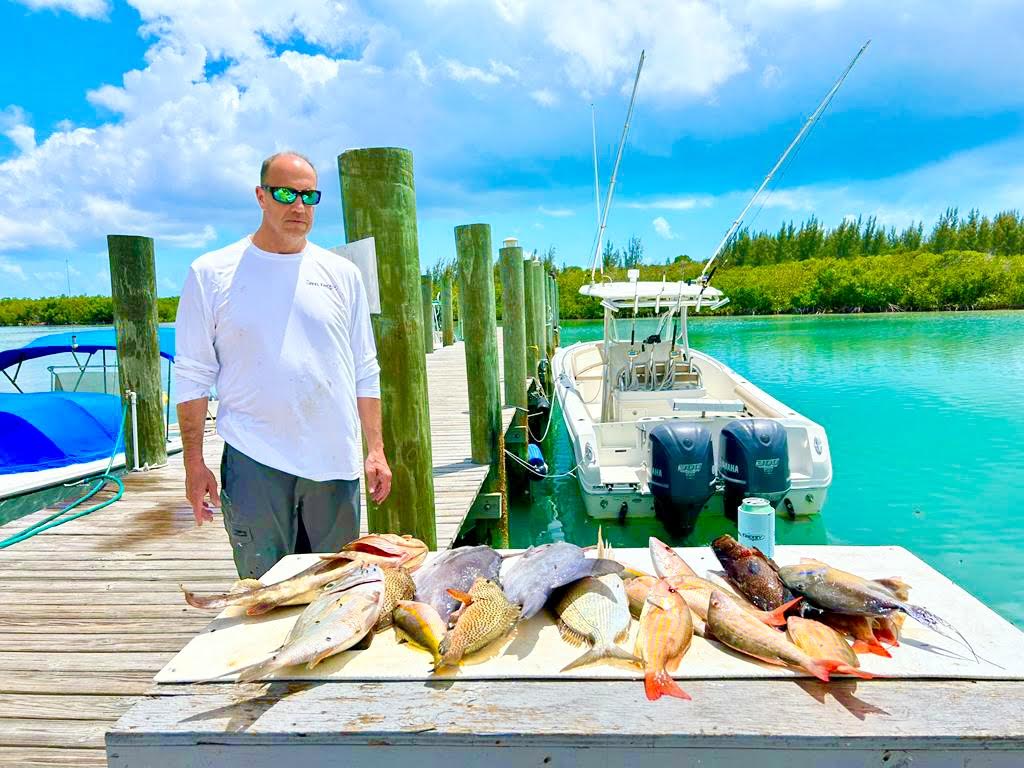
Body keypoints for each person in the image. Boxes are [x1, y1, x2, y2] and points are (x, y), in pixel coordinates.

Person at [173, 151, 392, 579]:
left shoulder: (342, 274)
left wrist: (376, 451)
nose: (298, 206)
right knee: (263, 592)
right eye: (286, 193)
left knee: (335, 594)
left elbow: (365, 368)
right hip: (255, 460)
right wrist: (193, 463)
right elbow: (193, 375)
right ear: (261, 196)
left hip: (335, 463)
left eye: (309, 196)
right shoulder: (210, 272)